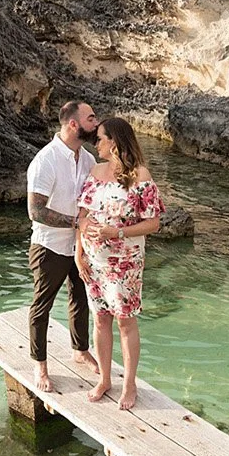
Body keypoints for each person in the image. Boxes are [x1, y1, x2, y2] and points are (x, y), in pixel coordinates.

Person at [75, 116, 165, 411]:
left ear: (114, 141)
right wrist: (79, 252)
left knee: (125, 322)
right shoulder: (96, 171)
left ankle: (129, 384)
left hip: (124, 264)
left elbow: (153, 223)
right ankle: (104, 379)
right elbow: (84, 215)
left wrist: (118, 232)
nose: (96, 143)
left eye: (100, 138)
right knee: (100, 319)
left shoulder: (140, 176)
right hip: (94, 261)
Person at [26, 100, 102, 392]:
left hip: (80, 246)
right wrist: (76, 223)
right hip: (49, 246)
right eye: (91, 118)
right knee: (41, 306)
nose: (96, 123)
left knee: (80, 297)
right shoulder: (45, 160)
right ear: (74, 124)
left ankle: (80, 350)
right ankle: (40, 366)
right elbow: (36, 211)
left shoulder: (88, 160)